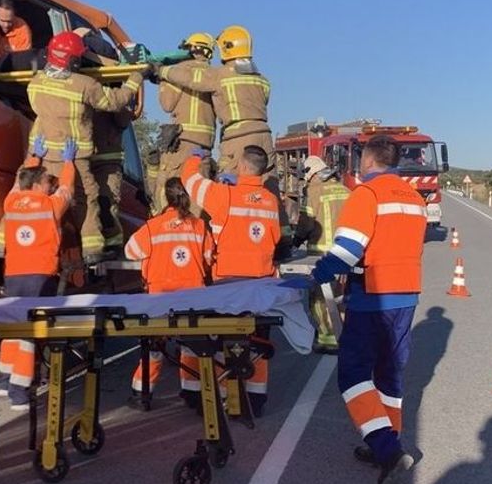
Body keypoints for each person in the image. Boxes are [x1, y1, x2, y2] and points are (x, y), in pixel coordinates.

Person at [301, 134, 427, 484]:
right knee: (389, 374)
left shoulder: (367, 194)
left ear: (368, 161)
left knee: (354, 375)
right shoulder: (414, 197)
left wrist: (318, 275)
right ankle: (389, 441)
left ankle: (387, 450)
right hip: (407, 295)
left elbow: (348, 250)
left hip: (373, 296)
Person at [155, 26, 292, 248]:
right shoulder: (262, 80)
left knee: (228, 191)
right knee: (269, 187)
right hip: (264, 137)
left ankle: (229, 241)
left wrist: (161, 71)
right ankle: (283, 238)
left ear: (227, 48)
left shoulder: (221, 75)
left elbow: (192, 78)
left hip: (237, 138)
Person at [180, 144, 280, 415]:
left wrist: (194, 158)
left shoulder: (225, 196)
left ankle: (225, 400)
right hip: (262, 284)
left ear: (244, 167)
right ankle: (255, 401)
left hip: (229, 285)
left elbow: (190, 181)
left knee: (224, 343)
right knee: (257, 344)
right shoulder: (271, 200)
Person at [27, 31, 142, 264]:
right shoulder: (84, 85)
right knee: (88, 200)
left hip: (45, 156)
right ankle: (93, 251)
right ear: (73, 60)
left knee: (36, 200)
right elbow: (115, 103)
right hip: (76, 157)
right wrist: (136, 78)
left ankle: (28, 243)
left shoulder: (35, 83)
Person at [0, 135, 77, 410]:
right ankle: (20, 392)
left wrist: (35, 157)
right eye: (45, 181)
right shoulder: (49, 205)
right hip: (39, 276)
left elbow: (17, 185)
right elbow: (66, 189)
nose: (49, 185)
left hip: (14, 275)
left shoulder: (11, 203)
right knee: (29, 333)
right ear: (36, 184)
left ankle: (4, 381)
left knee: (11, 327)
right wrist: (69, 162)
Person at [123, 178, 213, 407]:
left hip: (159, 299)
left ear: (165, 197)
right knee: (191, 346)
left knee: (154, 347)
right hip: (193, 297)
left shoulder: (153, 226)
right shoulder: (199, 226)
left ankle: (142, 394)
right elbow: (210, 258)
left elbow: (131, 252)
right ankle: (192, 393)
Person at [151, 33, 217, 214]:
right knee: (198, 196)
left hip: (181, 142)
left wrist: (162, 79)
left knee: (169, 193)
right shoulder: (215, 75)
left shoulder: (177, 72)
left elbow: (167, 104)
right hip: (204, 147)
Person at [293, 155, 350, 352]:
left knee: (319, 298)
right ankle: (344, 333)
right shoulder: (346, 191)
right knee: (341, 296)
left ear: (312, 174)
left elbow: (306, 224)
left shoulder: (314, 191)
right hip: (346, 254)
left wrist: (295, 242)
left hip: (320, 255)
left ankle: (328, 339)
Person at [91, 107, 135, 258]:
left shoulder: (114, 98)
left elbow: (123, 120)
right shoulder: (84, 90)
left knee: (106, 205)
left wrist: (117, 101)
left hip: (108, 164)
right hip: (84, 161)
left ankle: (113, 248)